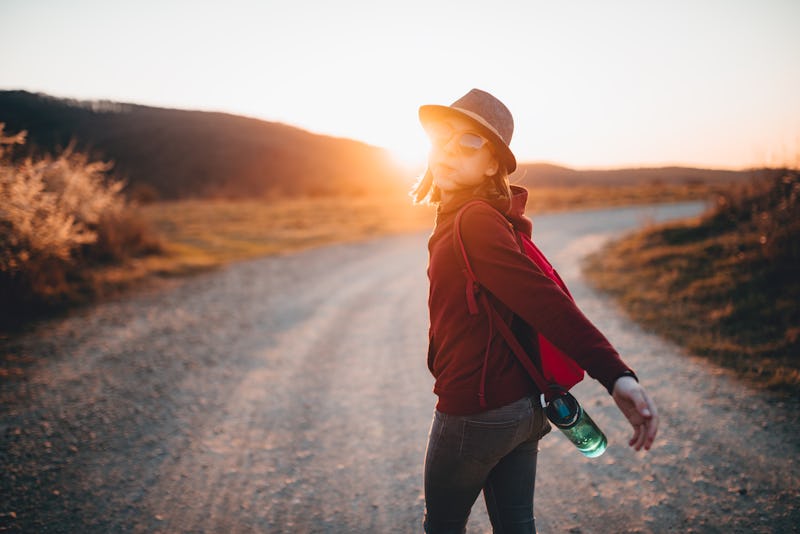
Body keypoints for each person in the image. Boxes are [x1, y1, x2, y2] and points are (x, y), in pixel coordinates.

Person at [412, 88, 659, 533]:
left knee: (442, 525)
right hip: (522, 411)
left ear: (492, 164)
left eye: (467, 142)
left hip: (477, 411)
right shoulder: (475, 216)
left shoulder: (474, 220)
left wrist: (615, 374)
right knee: (516, 526)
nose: (447, 150)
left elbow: (545, 303)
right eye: (440, 138)